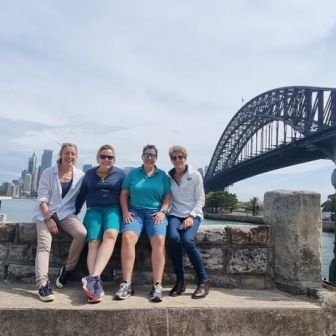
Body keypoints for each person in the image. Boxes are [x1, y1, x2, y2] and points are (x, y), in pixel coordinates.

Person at [115, 145, 171, 302]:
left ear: (156, 158)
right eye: (147, 154)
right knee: (127, 238)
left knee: (159, 240)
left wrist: (162, 211)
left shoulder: (163, 176)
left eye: (153, 155)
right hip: (135, 211)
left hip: (155, 213)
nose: (149, 157)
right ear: (142, 156)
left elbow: (167, 196)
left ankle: (157, 285)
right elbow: (123, 194)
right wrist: (125, 212)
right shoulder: (133, 174)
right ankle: (126, 283)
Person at [33, 143, 87, 302]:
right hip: (45, 213)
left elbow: (84, 194)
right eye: (67, 153)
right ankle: (42, 284)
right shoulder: (48, 173)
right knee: (44, 243)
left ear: (76, 157)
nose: (70, 157)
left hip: (65, 214)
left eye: (73, 154)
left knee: (81, 233)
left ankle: (67, 269)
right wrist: (48, 219)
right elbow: (42, 199)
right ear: (61, 154)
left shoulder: (80, 175)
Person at [75, 145, 125, 303]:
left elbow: (127, 194)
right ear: (98, 158)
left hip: (113, 209)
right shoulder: (89, 174)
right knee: (94, 242)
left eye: (110, 157)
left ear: (114, 159)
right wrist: (73, 213)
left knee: (110, 235)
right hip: (93, 210)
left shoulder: (120, 174)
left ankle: (93, 278)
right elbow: (81, 195)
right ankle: (95, 283)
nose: (106, 159)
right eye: (103, 156)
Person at [166, 145, 209, 299]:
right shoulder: (168, 177)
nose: (177, 160)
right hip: (175, 214)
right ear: (171, 160)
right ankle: (180, 280)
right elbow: (167, 198)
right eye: (174, 158)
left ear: (185, 158)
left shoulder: (195, 175)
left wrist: (191, 216)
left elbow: (201, 199)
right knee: (173, 238)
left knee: (187, 240)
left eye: (180, 157)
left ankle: (203, 281)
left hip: (193, 214)